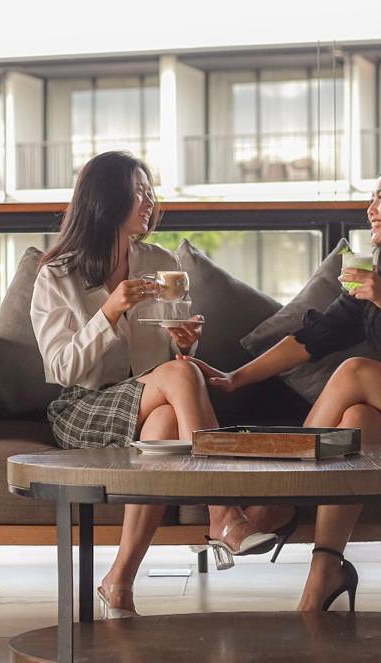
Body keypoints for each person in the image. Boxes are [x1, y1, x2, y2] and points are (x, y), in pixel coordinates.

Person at [185, 160, 381, 612]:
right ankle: (324, 575)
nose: (370, 209)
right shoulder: (380, 271)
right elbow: (312, 338)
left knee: (355, 370)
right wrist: (236, 378)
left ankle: (277, 499)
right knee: (356, 420)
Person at [30, 150, 277, 619]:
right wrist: (109, 312)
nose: (149, 201)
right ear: (106, 199)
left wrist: (185, 342)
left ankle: (118, 582)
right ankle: (223, 514)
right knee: (180, 379)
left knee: (164, 421)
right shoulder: (58, 275)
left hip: (148, 399)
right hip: (84, 405)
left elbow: (170, 355)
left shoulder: (160, 262)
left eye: (149, 191)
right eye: (138, 191)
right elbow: (61, 368)